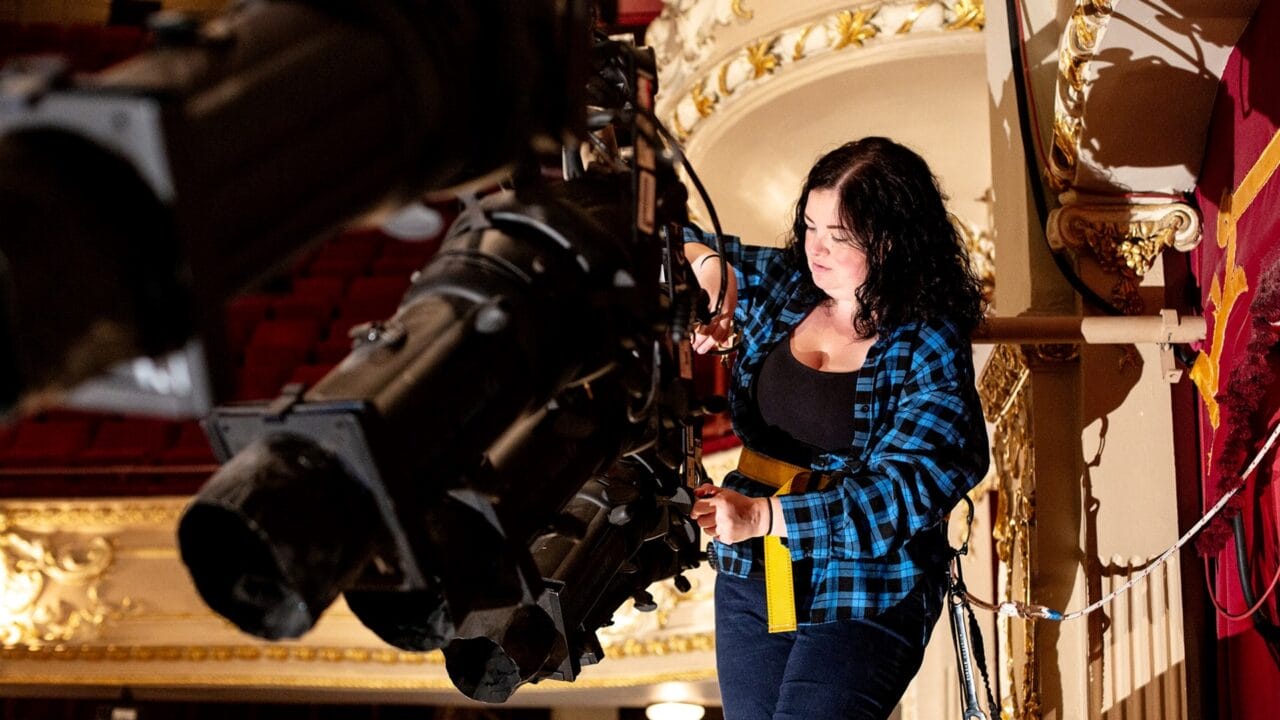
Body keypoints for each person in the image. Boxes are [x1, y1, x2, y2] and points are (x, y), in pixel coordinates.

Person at [685, 136, 989, 720]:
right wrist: (711, 271)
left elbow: (898, 495)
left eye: (839, 237)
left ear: (892, 240)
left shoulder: (928, 342)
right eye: (809, 226)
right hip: (757, 569)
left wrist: (762, 517)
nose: (815, 250)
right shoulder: (786, 286)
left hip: (871, 587)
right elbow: (653, 236)